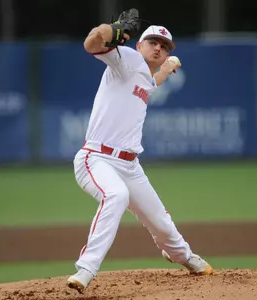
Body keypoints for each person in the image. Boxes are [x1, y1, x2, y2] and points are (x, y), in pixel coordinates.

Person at [66, 13, 213, 294]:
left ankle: (183, 255)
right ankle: (86, 269)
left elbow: (150, 82)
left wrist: (168, 67)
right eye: (153, 42)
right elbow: (91, 44)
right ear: (139, 46)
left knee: (162, 223)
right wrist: (112, 29)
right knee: (116, 195)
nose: (159, 48)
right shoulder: (126, 60)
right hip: (96, 158)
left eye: (165, 46)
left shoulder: (144, 75)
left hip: (130, 166)